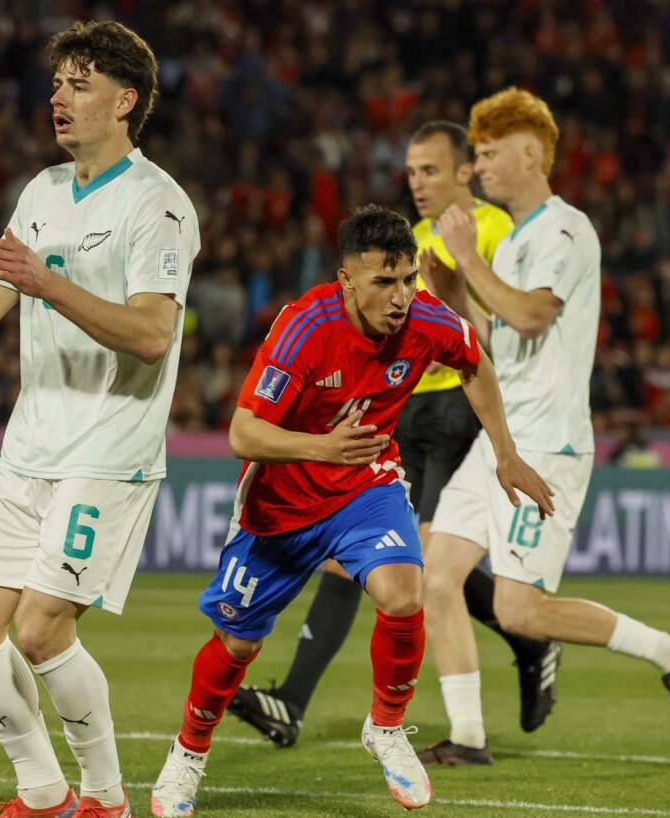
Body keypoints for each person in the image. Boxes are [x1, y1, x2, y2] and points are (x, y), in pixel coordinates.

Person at [148, 205, 555, 817]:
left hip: (365, 487)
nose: (400, 298)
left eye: (408, 280)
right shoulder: (305, 329)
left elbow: (475, 363)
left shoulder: (425, 318)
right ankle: (189, 752)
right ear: (346, 280)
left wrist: (506, 453)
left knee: (402, 591)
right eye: (383, 284)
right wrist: (320, 448)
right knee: (235, 644)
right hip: (279, 504)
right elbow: (243, 432)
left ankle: (387, 727)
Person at [0, 21, 199, 818]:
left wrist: (48, 282)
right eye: (58, 81)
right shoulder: (41, 192)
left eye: (79, 82)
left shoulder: (158, 204)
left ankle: (105, 797)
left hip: (109, 451)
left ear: (125, 100)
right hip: (30, 450)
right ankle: (44, 792)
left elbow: (153, 332)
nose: (58, 97)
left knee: (39, 628)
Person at [226, 120, 561, 748]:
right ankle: (292, 703)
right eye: (410, 172)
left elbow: (499, 333)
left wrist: (463, 279)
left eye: (430, 170)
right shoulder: (411, 242)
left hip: (456, 414)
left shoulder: (492, 229)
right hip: (402, 409)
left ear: (465, 171)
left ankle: (517, 652)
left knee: (424, 566)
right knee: (347, 552)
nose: (418, 182)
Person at [418, 88, 670, 766]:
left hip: (548, 445)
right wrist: (458, 295)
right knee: (437, 574)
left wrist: (470, 260)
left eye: (489, 154)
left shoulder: (566, 229)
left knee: (519, 611)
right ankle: (466, 736)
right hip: (502, 441)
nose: (480, 167)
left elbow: (532, 316)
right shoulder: (519, 238)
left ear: (530, 155)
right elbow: (499, 337)